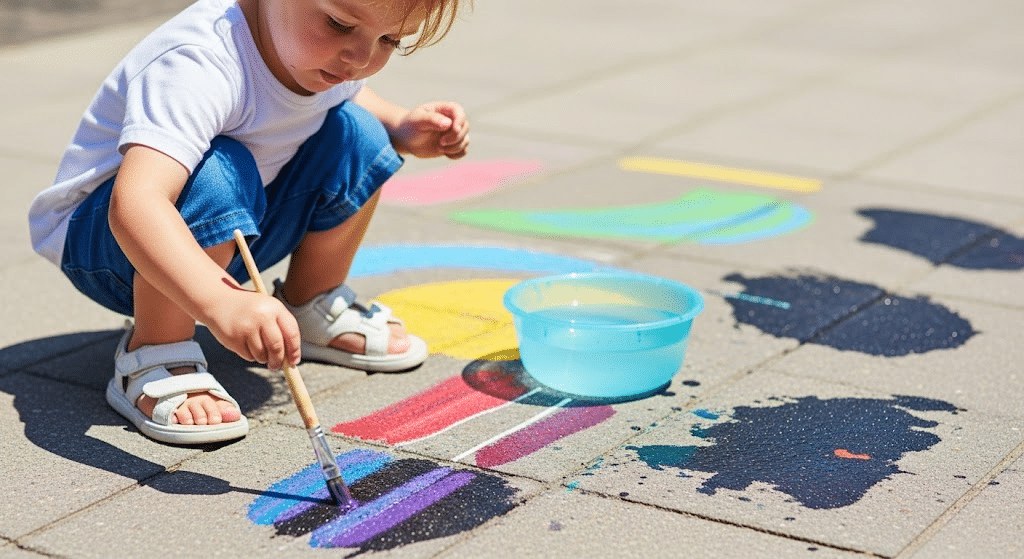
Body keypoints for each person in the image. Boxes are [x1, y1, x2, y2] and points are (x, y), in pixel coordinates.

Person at [27, 0, 470, 445]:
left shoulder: (314, 50)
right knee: (219, 167)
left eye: (389, 40)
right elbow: (136, 203)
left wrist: (399, 124)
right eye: (338, 24)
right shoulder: (198, 61)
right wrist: (222, 304)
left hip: (231, 229)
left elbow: (349, 93)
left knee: (362, 135)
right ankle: (156, 351)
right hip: (115, 249)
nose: (362, 59)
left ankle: (311, 301)